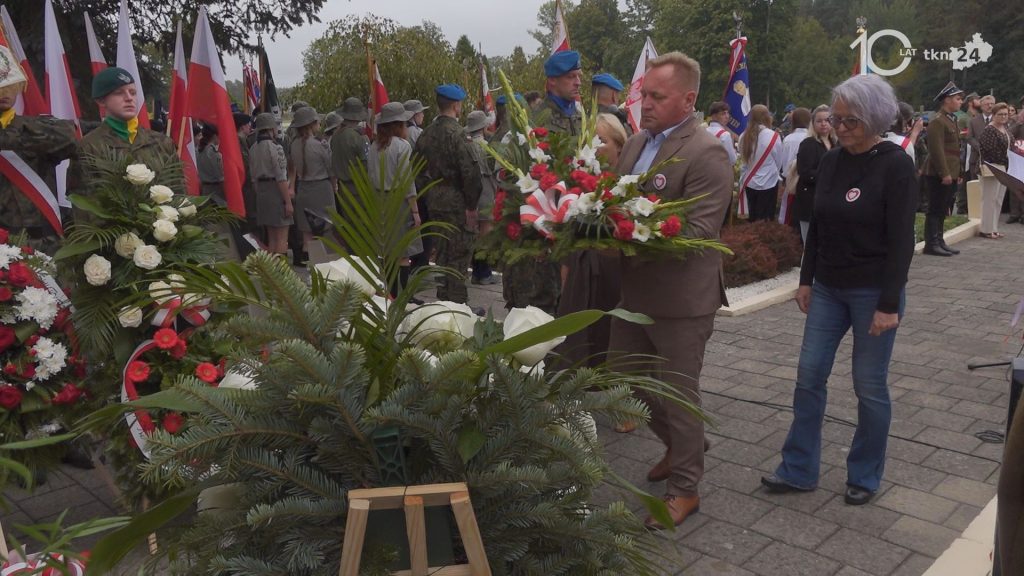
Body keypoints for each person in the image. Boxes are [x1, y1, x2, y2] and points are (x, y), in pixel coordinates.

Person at [761, 74, 916, 507]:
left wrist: (889, 305)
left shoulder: (896, 165)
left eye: (851, 121)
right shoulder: (831, 161)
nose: (840, 127)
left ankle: (864, 474)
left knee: (869, 385)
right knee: (809, 375)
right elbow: (819, 227)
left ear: (876, 119)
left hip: (873, 293)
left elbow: (902, 241)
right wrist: (805, 280)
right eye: (836, 118)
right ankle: (798, 469)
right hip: (828, 287)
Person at [609, 52, 732, 529]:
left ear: (688, 99)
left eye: (657, 97)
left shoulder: (706, 152)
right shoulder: (636, 142)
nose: (646, 104)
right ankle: (684, 445)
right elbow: (615, 200)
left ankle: (685, 488)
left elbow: (699, 231)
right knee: (626, 380)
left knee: (678, 394)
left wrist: (628, 237)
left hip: (682, 300)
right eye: (644, 94)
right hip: (636, 292)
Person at [504, 50, 583, 314]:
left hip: (570, 229)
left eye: (579, 76)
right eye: (570, 77)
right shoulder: (535, 121)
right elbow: (515, 176)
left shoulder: (579, 118)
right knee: (536, 309)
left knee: (567, 307)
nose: (578, 82)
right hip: (539, 230)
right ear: (552, 81)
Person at [554, 112, 626, 373]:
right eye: (590, 141)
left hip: (612, 272)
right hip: (580, 270)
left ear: (619, 145)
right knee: (576, 339)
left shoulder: (628, 183)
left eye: (602, 141)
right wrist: (566, 268)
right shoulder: (581, 181)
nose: (594, 148)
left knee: (607, 335)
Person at [0, 45, 77, 254]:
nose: (5, 92)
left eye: (10, 85)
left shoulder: (38, 127)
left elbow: (70, 138)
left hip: (44, 244)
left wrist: (11, 137)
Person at [412, 84, 482, 305]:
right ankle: (458, 305)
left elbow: (415, 170)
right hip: (458, 202)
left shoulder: (426, 134)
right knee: (459, 256)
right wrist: (471, 205)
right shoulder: (459, 135)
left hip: (435, 201)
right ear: (456, 105)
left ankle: (443, 301)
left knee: (441, 253)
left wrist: (430, 191)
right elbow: (471, 174)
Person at [76, 67, 177, 195]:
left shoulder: (163, 143)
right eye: (119, 93)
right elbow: (82, 200)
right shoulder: (89, 146)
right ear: (101, 100)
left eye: (133, 92)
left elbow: (178, 192)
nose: (129, 98)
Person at [368, 102, 423, 295]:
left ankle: (389, 293)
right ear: (399, 124)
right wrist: (415, 210)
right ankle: (402, 295)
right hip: (398, 200)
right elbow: (407, 180)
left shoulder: (374, 146)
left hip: (378, 199)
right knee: (403, 252)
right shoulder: (402, 146)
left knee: (387, 250)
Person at [289, 106, 336, 264]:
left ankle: (309, 266)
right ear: (311, 124)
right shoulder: (320, 144)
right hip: (321, 189)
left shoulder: (294, 144)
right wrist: (335, 185)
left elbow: (292, 167)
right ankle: (323, 266)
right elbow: (330, 168)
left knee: (307, 234)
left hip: (303, 189)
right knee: (325, 231)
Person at [922, 82, 965, 256]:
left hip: (951, 170)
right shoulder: (938, 121)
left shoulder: (950, 119)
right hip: (938, 172)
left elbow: (956, 149)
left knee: (943, 208)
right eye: (957, 98)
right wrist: (944, 173)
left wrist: (958, 172)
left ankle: (939, 240)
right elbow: (936, 149)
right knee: (935, 208)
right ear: (947, 100)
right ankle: (931, 243)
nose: (961, 102)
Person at [249, 112, 292, 255]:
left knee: (272, 238)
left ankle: (272, 267)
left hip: (261, 192)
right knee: (282, 238)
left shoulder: (253, 148)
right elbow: (281, 178)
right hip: (276, 191)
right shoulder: (275, 148)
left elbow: (253, 179)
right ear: (272, 128)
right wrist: (288, 202)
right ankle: (280, 268)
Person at [464, 110, 498, 286]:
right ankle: (483, 272)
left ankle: (477, 271)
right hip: (485, 191)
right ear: (483, 127)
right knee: (485, 232)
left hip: (470, 193)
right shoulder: (486, 147)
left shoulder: (466, 146)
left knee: (475, 233)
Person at [794, 105, 836, 243]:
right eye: (819, 121)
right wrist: (829, 176)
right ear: (813, 123)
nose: (824, 124)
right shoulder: (808, 144)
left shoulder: (836, 143)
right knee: (810, 243)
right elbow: (804, 172)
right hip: (810, 201)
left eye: (827, 120)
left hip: (831, 202)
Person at [739, 104, 783, 222]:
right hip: (769, 182)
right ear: (767, 117)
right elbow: (779, 161)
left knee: (752, 218)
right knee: (766, 220)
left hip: (749, 182)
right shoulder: (773, 136)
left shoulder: (743, 136)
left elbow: (743, 160)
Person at [978, 102, 1012, 239]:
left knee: (998, 199)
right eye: (1000, 114)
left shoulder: (1005, 128)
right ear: (993, 115)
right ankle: (986, 229)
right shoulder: (989, 130)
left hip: (1004, 167)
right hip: (992, 167)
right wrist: (1007, 158)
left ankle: (994, 228)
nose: (1003, 116)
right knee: (989, 199)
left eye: (1005, 114)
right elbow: (990, 151)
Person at [705, 101, 737, 166]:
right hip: (719, 169)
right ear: (714, 116)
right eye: (723, 114)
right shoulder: (725, 135)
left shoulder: (703, 132)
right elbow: (732, 160)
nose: (727, 116)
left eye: (727, 113)